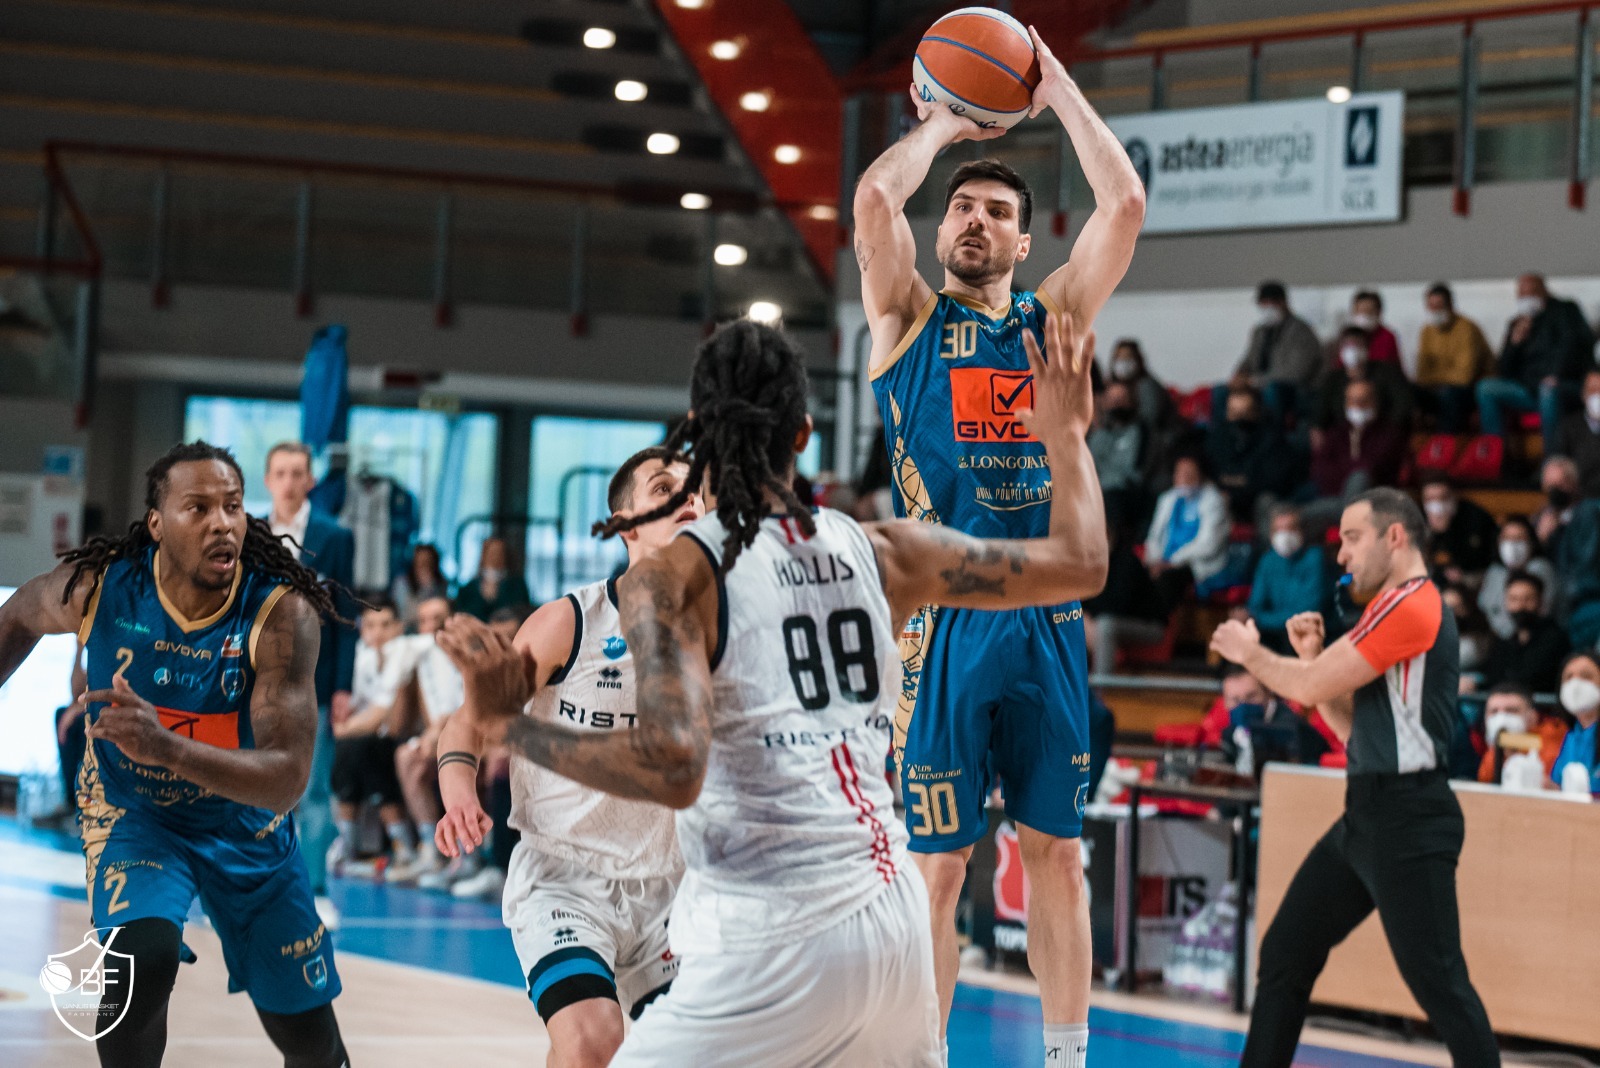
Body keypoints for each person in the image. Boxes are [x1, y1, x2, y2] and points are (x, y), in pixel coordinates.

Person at [436, 314, 1107, 1067]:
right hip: (892, 924)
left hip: (768, 936)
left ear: (697, 434)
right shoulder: (888, 550)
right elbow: (1082, 562)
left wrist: (512, 726)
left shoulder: (676, 578)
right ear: (803, 435)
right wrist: (1066, 435)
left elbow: (673, 767)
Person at [852, 24, 1141, 1064]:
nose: (976, 218)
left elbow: (1124, 206)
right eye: (963, 208)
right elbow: (874, 201)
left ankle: (1066, 1058)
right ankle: (925, 1056)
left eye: (1000, 212)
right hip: (942, 626)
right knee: (938, 869)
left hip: (1048, 619)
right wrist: (943, 122)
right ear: (942, 234)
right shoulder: (906, 319)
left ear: (1025, 246)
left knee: (1058, 857)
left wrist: (1052, 84)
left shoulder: (1052, 316)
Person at [0, 441, 349, 1067]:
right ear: (157, 523)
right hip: (136, 814)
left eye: (233, 506)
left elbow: (288, 778)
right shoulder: (100, 589)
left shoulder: (280, 614)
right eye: (199, 508)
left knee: (308, 1038)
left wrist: (165, 745)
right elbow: (17, 618)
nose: (222, 523)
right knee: (141, 962)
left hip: (245, 822)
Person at [1209, 487, 1499, 1068]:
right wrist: (1312, 658)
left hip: (1408, 819)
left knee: (1441, 986)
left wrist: (1252, 653)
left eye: (1352, 538)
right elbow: (1350, 731)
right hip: (1368, 812)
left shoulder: (1410, 605)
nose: (1340, 555)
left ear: (1395, 537)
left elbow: (1308, 688)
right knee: (1286, 953)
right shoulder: (1387, 609)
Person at [431, 447, 702, 1066]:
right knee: (591, 1041)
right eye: (665, 488)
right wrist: (459, 793)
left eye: (695, 491)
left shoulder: (722, 631)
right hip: (566, 878)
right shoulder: (570, 623)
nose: (688, 499)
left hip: (673, 886)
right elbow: (468, 721)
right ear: (626, 523)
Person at [264, 440, 356, 929]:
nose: (289, 482)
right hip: (256, 680)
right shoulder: (249, 533)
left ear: (311, 480)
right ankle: (251, 889)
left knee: (314, 788)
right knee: (253, 784)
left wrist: (343, 687)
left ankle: (315, 889)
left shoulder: (334, 537)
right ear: (267, 480)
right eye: (280, 473)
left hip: (315, 679)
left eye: (297, 473)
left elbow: (346, 615)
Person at [379, 593, 465, 886]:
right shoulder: (420, 657)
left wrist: (436, 733)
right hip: (440, 737)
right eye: (424, 621)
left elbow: (467, 709)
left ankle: (465, 855)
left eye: (438, 620)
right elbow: (395, 723)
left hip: (474, 736)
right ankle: (432, 850)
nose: (431, 628)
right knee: (406, 757)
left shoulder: (468, 654)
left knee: (429, 758)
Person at [327, 595, 414, 876]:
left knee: (358, 747)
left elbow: (384, 714)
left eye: (385, 624)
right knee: (354, 749)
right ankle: (351, 845)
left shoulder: (404, 650)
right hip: (372, 740)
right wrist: (348, 723)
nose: (378, 632)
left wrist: (344, 729)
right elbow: (359, 707)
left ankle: (404, 847)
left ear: (399, 627)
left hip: (405, 736)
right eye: (371, 625)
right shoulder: (362, 655)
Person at [1477, 273, 1595, 457]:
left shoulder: (1566, 311)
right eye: (1522, 295)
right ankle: (1496, 456)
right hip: (1528, 389)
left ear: (1544, 291)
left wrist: (1557, 374)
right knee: (1486, 388)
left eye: (1532, 293)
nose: (1527, 299)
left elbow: (1574, 346)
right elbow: (1504, 370)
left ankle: (1552, 459)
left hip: (1564, 385)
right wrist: (1514, 344)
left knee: (1548, 390)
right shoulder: (1517, 323)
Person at [1199, 665, 1338, 767]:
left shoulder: (1293, 730)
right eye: (1235, 700)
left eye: (1251, 696)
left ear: (1268, 693)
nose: (1243, 705)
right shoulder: (1230, 734)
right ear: (1224, 702)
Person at [1144, 455, 1231, 611]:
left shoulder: (1213, 500)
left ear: (1201, 474)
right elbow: (1154, 536)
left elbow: (1208, 546)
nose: (1184, 478)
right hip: (1163, 561)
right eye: (1180, 473)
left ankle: (1159, 622)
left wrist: (1171, 563)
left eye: (1190, 473)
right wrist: (1155, 560)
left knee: (1167, 579)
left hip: (1194, 565)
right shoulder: (1167, 499)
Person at [1308, 379, 1407, 515]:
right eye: (1353, 401)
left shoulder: (1390, 433)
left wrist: (1346, 470)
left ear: (1375, 402)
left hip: (1376, 500)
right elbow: (1319, 469)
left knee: (1360, 478)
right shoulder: (1337, 433)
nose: (1358, 406)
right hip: (1335, 496)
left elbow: (1373, 467)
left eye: (1364, 400)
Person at [1231, 281, 1322, 420]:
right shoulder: (1260, 332)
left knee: (1272, 390)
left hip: (1293, 390)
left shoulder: (1301, 331)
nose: (1266, 308)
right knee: (1221, 392)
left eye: (1270, 303)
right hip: (1257, 386)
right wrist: (1239, 376)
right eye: (1263, 304)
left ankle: (1272, 433)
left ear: (1282, 303)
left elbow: (1297, 373)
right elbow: (1249, 360)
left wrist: (1257, 381)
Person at [1206, 384, 1296, 524]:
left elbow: (1274, 481)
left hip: (1256, 500)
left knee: (1266, 501)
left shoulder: (1272, 438)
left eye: (1244, 413)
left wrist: (1237, 483)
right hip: (1226, 498)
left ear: (1256, 412)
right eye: (1234, 413)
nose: (1238, 420)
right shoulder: (1218, 437)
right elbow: (1212, 471)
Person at [1245, 505, 1328, 653]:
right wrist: (1256, 618)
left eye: (1290, 529)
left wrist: (1261, 619)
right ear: (1271, 534)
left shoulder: (1315, 557)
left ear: (1301, 531)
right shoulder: (1267, 560)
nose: (1285, 535)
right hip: (1273, 636)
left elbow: (1308, 613)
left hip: (1309, 636)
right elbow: (1255, 606)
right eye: (1279, 530)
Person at [1414, 283, 1493, 433]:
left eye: (1439, 306)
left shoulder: (1467, 328)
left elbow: (1464, 377)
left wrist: (1434, 378)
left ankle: (1449, 442)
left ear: (1450, 305)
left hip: (1472, 389)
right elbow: (1421, 375)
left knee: (1449, 394)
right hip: (1439, 388)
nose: (1434, 311)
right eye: (1431, 306)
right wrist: (1438, 379)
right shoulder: (1426, 331)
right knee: (1410, 392)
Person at [1480, 572, 1568, 694]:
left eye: (1528, 599)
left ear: (1540, 602)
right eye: (1513, 599)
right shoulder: (1503, 642)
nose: (1520, 606)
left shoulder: (1556, 640)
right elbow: (1492, 677)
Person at [1313, 326, 1412, 432]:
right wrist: (1317, 428)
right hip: (1342, 435)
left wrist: (1388, 429)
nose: (1352, 349)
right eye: (1347, 345)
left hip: (1382, 432)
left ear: (1367, 348)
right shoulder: (1333, 379)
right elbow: (1320, 413)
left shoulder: (1387, 373)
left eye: (1357, 344)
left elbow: (1403, 405)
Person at [1477, 516, 1559, 639]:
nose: (1512, 544)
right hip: (1499, 639)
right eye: (1507, 538)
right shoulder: (1495, 572)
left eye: (1519, 538)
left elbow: (1546, 610)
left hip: (1537, 637)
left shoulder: (1541, 568)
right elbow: (1485, 607)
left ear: (1532, 542)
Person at [1475, 683, 1565, 786]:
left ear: (1533, 717)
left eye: (1511, 711)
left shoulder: (1551, 740)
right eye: (1494, 711)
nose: (1501, 718)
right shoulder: (1493, 749)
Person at [1088, 381, 1147, 532]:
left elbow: (1135, 470)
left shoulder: (1141, 432)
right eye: (1113, 400)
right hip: (1097, 491)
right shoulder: (1098, 436)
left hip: (1127, 492)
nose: (1116, 404)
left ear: (1131, 402)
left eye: (1121, 400)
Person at [1420, 477, 1499, 583]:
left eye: (1443, 498)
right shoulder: (1417, 520)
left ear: (1454, 497)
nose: (1437, 505)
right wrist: (1432, 531)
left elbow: (1487, 563)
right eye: (1430, 499)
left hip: (1472, 581)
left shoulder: (1475, 519)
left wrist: (1464, 577)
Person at [1549, 651, 1600, 792]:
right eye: (1568, 677)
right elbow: (1557, 785)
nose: (1576, 684)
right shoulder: (1570, 736)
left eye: (1586, 676)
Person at [452, 535, 531, 622]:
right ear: (483, 556)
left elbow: (522, 613)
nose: (495, 557)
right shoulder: (468, 588)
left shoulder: (517, 586)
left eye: (499, 553)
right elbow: (461, 614)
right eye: (491, 553)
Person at [1105, 338, 1175, 433]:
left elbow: (1148, 422)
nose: (1123, 362)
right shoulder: (1112, 388)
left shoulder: (1147, 386)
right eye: (1119, 357)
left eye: (1128, 357)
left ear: (1138, 360)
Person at [1553, 368, 1600, 496]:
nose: (1597, 396)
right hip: (1580, 497)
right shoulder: (1569, 427)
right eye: (1593, 391)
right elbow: (1558, 461)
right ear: (1583, 395)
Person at [390, 542, 448, 628]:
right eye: (419, 562)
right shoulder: (401, 583)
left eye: (427, 562)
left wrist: (429, 587)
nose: (423, 566)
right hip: (406, 628)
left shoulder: (440, 584)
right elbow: (403, 614)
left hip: (433, 628)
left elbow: (440, 613)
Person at [1533, 455, 1581, 556]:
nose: (1556, 492)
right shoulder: (1539, 517)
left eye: (1561, 485)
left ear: (1573, 484)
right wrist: (1540, 538)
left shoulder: (1585, 515)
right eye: (1551, 486)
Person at [1347, 290, 1402, 367]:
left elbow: (1395, 367)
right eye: (1360, 311)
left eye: (1368, 311)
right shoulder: (1347, 337)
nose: (1364, 315)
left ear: (1379, 312)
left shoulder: (1387, 337)